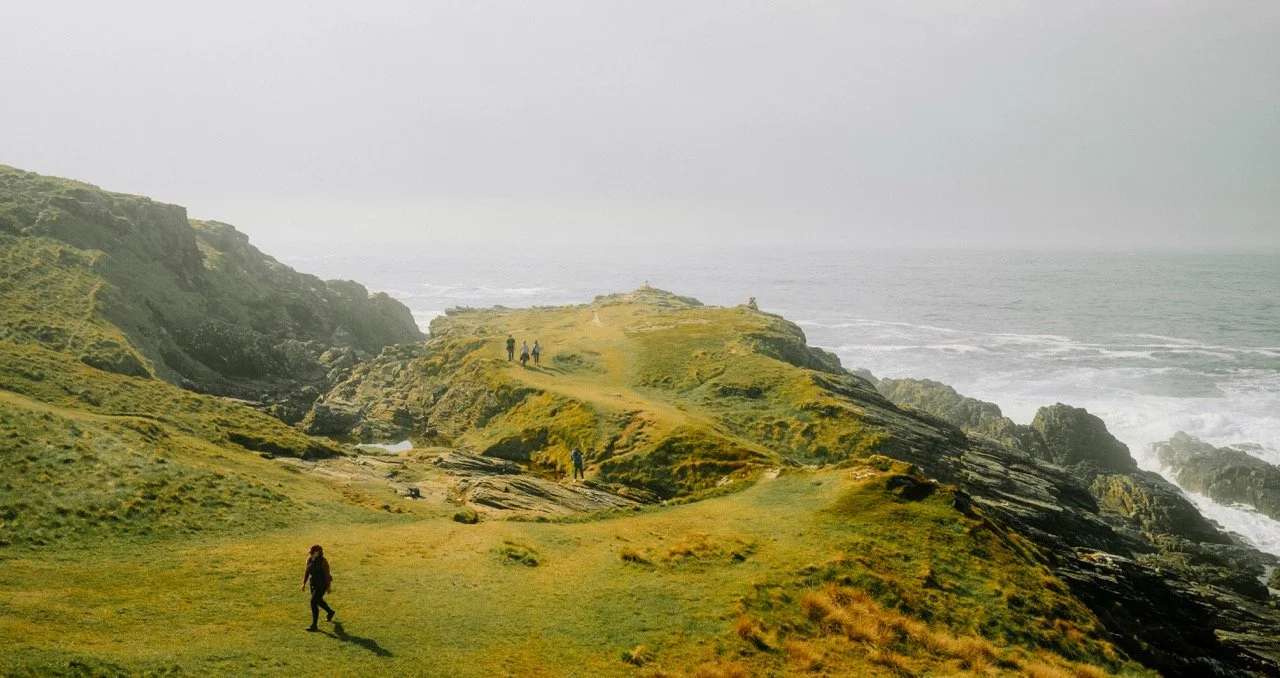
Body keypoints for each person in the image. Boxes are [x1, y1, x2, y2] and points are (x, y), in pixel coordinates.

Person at [302, 544, 335, 631]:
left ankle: (314, 625)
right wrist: (304, 583)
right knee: (318, 601)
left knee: (313, 602)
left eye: (312, 553)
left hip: (322, 584)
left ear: (317, 553)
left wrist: (328, 587)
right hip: (313, 584)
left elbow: (327, 575)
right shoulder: (309, 559)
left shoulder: (323, 561)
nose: (310, 554)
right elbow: (307, 571)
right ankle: (330, 612)